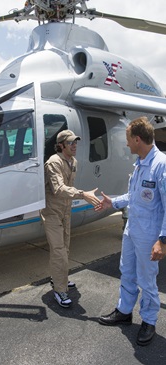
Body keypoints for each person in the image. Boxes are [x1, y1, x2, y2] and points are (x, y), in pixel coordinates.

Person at [95, 116, 166, 346]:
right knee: (126, 272)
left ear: (137, 139)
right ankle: (124, 312)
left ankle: (148, 321)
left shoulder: (160, 165)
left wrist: (162, 241)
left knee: (147, 280)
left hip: (149, 235)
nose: (126, 144)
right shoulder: (139, 163)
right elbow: (134, 197)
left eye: (128, 140)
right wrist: (112, 203)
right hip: (132, 230)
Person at [40, 129, 100, 308]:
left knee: (65, 248)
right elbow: (58, 189)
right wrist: (83, 195)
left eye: (76, 142)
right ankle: (59, 289)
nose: (75, 145)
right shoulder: (53, 162)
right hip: (51, 211)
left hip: (65, 211)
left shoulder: (73, 161)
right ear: (61, 145)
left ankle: (60, 278)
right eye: (71, 142)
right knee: (58, 249)